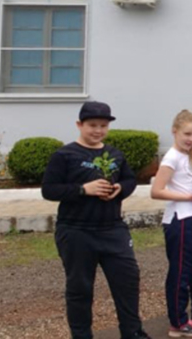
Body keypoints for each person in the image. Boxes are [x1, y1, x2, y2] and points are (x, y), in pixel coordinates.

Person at [42, 101, 151, 339]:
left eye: (103, 125)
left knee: (127, 283)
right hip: (76, 231)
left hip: (112, 229)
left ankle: (133, 333)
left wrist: (120, 188)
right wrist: (83, 189)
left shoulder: (114, 154)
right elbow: (49, 190)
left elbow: (130, 180)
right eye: (92, 125)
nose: (98, 130)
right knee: (80, 288)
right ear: (79, 125)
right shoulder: (65, 155)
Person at [151, 109, 192, 338]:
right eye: (187, 133)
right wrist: (187, 197)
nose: (191, 139)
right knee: (181, 271)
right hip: (180, 220)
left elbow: (190, 187)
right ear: (174, 131)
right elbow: (156, 191)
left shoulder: (190, 156)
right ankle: (178, 322)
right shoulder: (171, 157)